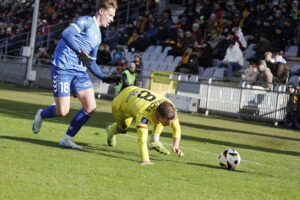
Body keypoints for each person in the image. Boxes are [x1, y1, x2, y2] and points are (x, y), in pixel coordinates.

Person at [32, 0, 119, 150]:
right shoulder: (84, 21)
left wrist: (104, 77)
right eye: (110, 15)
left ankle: (66, 139)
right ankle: (41, 114)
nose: (112, 19)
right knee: (62, 111)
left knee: (91, 107)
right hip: (62, 69)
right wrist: (79, 51)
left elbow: (90, 62)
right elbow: (66, 33)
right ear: (101, 11)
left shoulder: (98, 36)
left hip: (79, 72)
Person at [106, 86, 184, 166]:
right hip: (121, 103)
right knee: (123, 129)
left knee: (161, 123)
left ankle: (154, 140)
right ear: (158, 117)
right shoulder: (143, 114)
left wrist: (176, 145)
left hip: (134, 93)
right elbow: (142, 139)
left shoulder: (171, 107)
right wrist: (146, 160)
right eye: (167, 122)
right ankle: (110, 131)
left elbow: (176, 127)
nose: (169, 125)